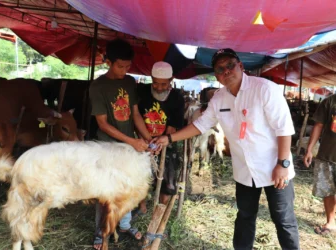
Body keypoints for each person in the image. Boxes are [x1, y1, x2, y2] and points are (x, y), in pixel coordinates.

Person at [153, 48, 300, 250]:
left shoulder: (265, 89)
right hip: (244, 171)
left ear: (240, 66)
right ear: (217, 76)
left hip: (274, 167)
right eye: (220, 69)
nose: (226, 71)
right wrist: (168, 138)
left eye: (230, 65)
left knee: (283, 219)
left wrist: (283, 163)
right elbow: (200, 125)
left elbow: (284, 128)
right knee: (245, 217)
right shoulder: (219, 98)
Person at [89, 38, 152, 249]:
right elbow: (103, 124)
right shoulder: (98, 86)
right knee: (106, 191)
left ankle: (124, 224)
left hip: (129, 146)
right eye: (120, 66)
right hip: (107, 146)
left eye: (128, 66)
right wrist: (132, 141)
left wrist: (148, 139)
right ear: (108, 61)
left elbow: (134, 113)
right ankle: (101, 233)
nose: (124, 70)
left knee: (127, 187)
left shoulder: (129, 82)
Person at [137, 61, 184, 206]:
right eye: (155, 83)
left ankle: (162, 207)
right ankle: (142, 206)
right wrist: (146, 140)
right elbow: (135, 117)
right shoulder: (141, 92)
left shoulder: (177, 98)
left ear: (171, 80)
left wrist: (157, 144)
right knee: (140, 176)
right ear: (151, 77)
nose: (159, 87)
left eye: (164, 84)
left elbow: (172, 128)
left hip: (165, 143)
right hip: (141, 140)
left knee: (168, 179)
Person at [304, 93, 336, 235]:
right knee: (327, 190)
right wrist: (309, 149)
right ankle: (330, 222)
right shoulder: (330, 102)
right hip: (327, 155)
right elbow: (318, 125)